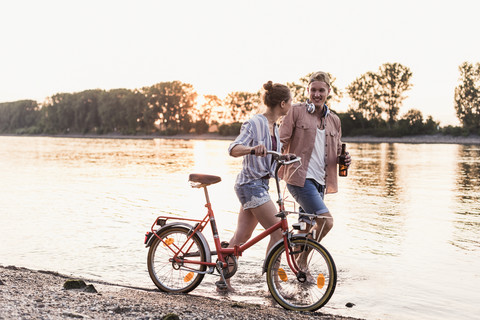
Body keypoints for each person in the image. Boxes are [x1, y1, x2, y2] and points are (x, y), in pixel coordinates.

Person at [218, 81, 292, 292]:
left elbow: (269, 158)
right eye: (291, 102)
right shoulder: (255, 123)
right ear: (283, 103)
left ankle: (223, 280)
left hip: (258, 185)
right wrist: (251, 149)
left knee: (242, 237)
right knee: (278, 233)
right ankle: (273, 284)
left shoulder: (275, 128)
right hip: (250, 185)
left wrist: (284, 158)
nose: (291, 106)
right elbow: (233, 149)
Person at [279, 71, 351, 249]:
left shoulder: (335, 120)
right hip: (299, 179)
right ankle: (303, 263)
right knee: (326, 221)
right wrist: (270, 163)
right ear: (308, 90)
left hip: (321, 182)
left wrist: (345, 160)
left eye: (321, 90)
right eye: (313, 90)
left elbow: (334, 152)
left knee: (305, 227)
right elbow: (279, 141)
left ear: (328, 91)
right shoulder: (295, 111)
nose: (317, 94)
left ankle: (296, 269)